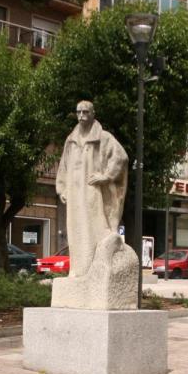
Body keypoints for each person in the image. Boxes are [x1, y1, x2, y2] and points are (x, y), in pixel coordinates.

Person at [55, 100, 128, 278]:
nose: (81, 116)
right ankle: (78, 269)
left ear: (93, 113)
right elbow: (63, 166)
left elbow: (121, 157)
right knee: (74, 228)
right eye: (79, 112)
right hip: (73, 192)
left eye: (86, 112)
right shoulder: (71, 140)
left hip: (91, 191)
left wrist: (107, 176)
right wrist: (62, 188)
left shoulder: (103, 137)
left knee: (92, 227)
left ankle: (92, 268)